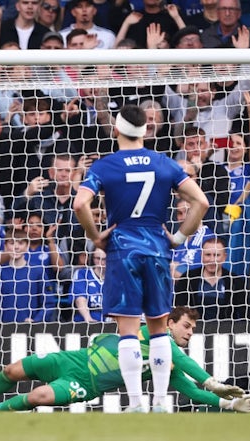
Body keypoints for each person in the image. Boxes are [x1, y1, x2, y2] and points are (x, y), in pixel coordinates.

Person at [73, 104, 209, 413]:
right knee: (159, 328)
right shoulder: (165, 164)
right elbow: (201, 201)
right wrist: (178, 237)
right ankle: (160, 403)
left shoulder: (106, 166)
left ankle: (135, 403)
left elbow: (81, 203)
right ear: (146, 131)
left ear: (116, 131)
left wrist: (96, 236)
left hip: (123, 250)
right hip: (157, 248)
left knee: (129, 331)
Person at [0, 307, 250, 413]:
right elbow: (184, 362)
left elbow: (191, 391)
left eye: (193, 329)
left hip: (85, 383)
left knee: (38, 396)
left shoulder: (166, 363)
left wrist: (223, 402)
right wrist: (213, 382)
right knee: (14, 369)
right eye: (185, 326)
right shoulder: (151, 334)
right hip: (73, 359)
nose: (189, 333)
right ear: (170, 323)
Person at [174, 236, 250, 321]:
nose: (212, 260)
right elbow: (178, 313)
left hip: (225, 331)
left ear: (224, 257)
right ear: (202, 256)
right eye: (208, 255)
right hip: (194, 331)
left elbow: (248, 315)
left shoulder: (235, 282)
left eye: (217, 255)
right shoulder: (187, 279)